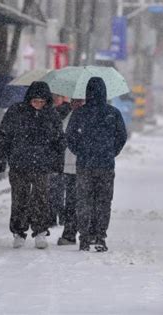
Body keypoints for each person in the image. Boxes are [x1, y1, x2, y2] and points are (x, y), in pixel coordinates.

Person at [0, 81, 66, 249]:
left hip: (42, 165)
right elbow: (3, 136)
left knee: (41, 199)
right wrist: (0, 159)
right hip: (19, 163)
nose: (38, 105)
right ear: (29, 99)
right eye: (35, 101)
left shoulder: (52, 115)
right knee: (19, 199)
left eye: (42, 102)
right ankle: (19, 232)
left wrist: (58, 163)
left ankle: (41, 232)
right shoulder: (16, 112)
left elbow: (59, 142)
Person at [66, 77, 127, 252]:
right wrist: (111, 151)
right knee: (103, 201)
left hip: (84, 164)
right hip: (106, 165)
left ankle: (84, 238)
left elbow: (70, 136)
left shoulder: (79, 113)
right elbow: (122, 137)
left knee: (83, 201)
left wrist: (81, 151)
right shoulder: (112, 113)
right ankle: (100, 236)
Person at [57, 99, 85, 246]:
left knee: (83, 201)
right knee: (71, 201)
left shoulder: (86, 116)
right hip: (68, 165)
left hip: (84, 165)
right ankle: (70, 233)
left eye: (81, 101)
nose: (77, 103)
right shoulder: (65, 115)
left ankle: (84, 234)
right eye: (74, 100)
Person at [48, 94, 72, 227]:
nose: (56, 98)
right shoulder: (48, 113)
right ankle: (54, 215)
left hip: (67, 154)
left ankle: (62, 215)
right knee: (54, 187)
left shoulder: (71, 112)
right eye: (54, 95)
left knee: (63, 187)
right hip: (55, 154)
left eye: (59, 95)